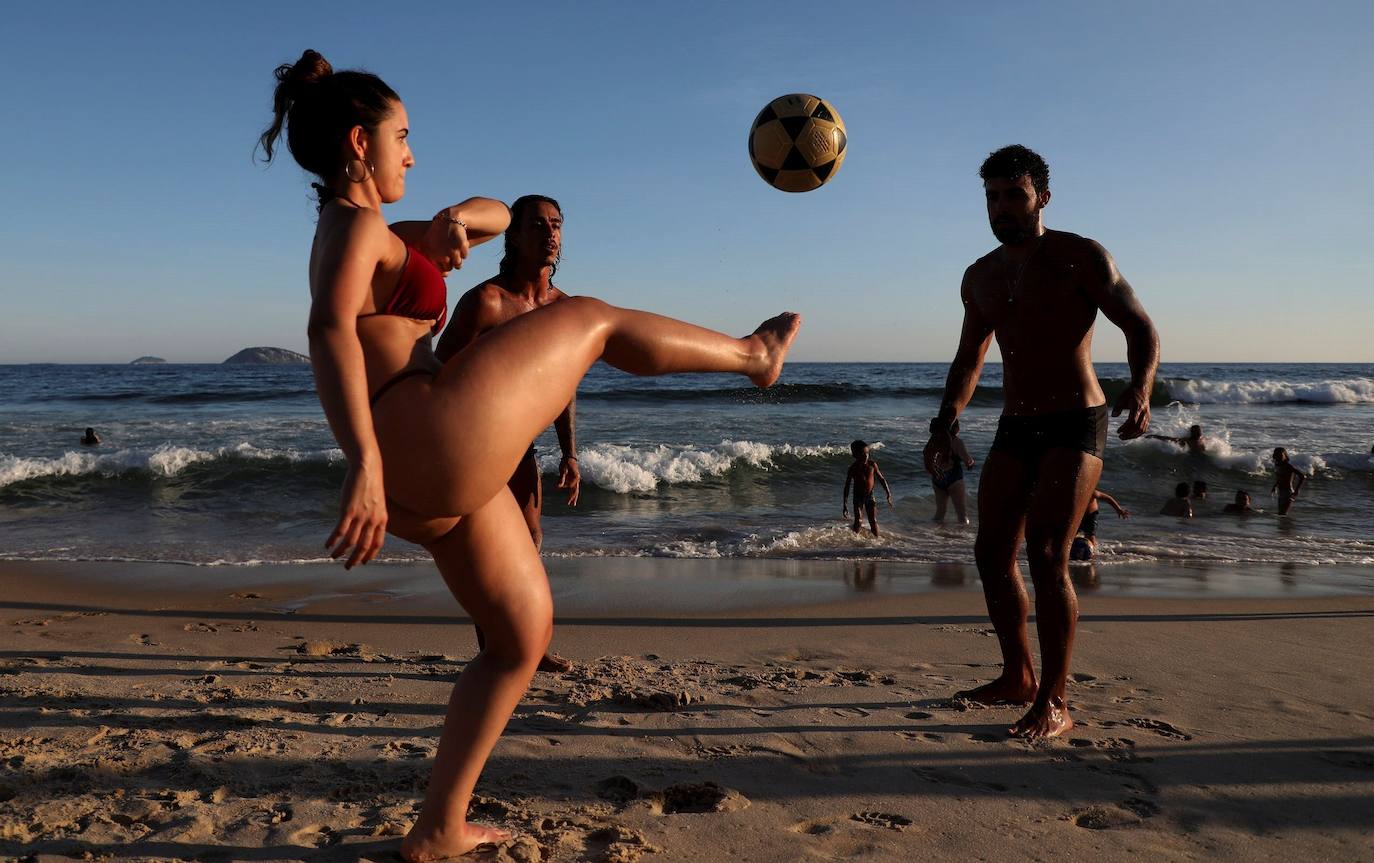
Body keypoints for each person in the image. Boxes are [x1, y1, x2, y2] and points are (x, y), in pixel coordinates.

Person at [259, 50, 801, 860]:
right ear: (359, 144)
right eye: (401, 137)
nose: (413, 151)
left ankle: (440, 825)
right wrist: (362, 460)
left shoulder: (377, 231)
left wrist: (452, 223)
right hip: (420, 437)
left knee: (521, 633)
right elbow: (328, 331)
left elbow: (494, 213)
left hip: (436, 480)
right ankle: (754, 356)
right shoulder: (356, 229)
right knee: (592, 319)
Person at [921, 145, 1159, 739]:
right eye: (992, 197)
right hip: (1017, 423)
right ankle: (1018, 676)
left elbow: (1140, 327)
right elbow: (970, 357)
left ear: (1042, 198)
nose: (1001, 207)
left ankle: (1055, 700)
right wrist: (945, 421)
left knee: (1049, 555)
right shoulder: (979, 276)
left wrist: (1142, 388)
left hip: (1078, 420)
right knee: (990, 552)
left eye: (1014, 195)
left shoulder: (1080, 257)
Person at [434, 194, 579, 675]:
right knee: (488, 553)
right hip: (475, 444)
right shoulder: (486, 302)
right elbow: (438, 373)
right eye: (537, 225)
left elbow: (563, 388)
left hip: (521, 446)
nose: (550, 234)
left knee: (531, 541)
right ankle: (495, 650)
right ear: (513, 235)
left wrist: (570, 454)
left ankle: (528, 645)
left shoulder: (562, 309)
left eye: (556, 225)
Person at [842, 440, 893, 536]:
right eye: (862, 454)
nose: (866, 456)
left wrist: (888, 493)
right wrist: (845, 504)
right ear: (855, 455)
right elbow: (847, 487)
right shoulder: (853, 468)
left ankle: (877, 541)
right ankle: (854, 540)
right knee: (858, 521)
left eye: (867, 453)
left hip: (870, 495)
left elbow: (881, 479)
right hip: (858, 496)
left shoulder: (872, 465)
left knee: (873, 520)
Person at [930, 418, 975, 524]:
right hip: (954, 478)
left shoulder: (934, 440)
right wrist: (972, 462)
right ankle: (963, 538)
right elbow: (967, 461)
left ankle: (935, 535)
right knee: (962, 515)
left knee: (940, 513)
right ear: (956, 428)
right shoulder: (957, 441)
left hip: (937, 478)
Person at [1070, 487, 1129, 561]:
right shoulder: (1074, 492)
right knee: (1071, 536)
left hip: (1090, 516)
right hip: (1077, 516)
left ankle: (1092, 554)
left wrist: (1118, 509)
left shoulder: (1091, 492)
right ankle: (1073, 552)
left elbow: (1107, 498)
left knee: (1090, 537)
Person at [1270, 447, 1308, 515]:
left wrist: (1297, 490)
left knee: (1282, 514)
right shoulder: (1277, 465)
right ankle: (1287, 525)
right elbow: (1280, 477)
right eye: (1277, 455)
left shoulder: (1288, 466)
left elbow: (1302, 476)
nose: (1279, 457)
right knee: (1281, 515)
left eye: (1281, 455)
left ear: (1285, 455)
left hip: (1288, 493)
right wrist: (1275, 486)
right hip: (1280, 492)